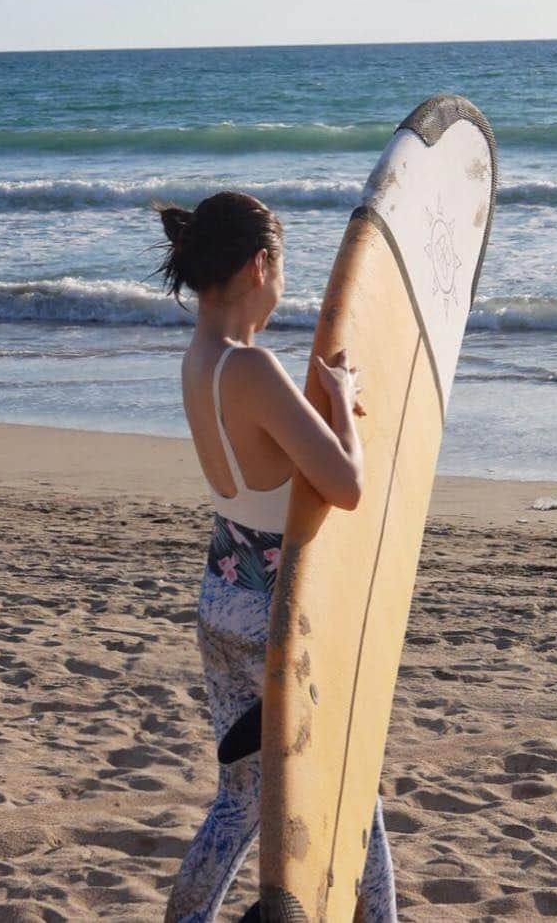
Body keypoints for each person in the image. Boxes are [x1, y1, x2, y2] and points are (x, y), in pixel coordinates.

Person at [157, 191, 398, 923]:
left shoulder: (201, 362)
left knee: (241, 796)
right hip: (277, 614)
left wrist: (322, 407)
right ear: (261, 265)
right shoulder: (255, 370)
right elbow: (346, 485)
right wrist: (345, 395)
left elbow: (265, 459)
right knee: (348, 786)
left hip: (220, 601)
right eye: (282, 268)